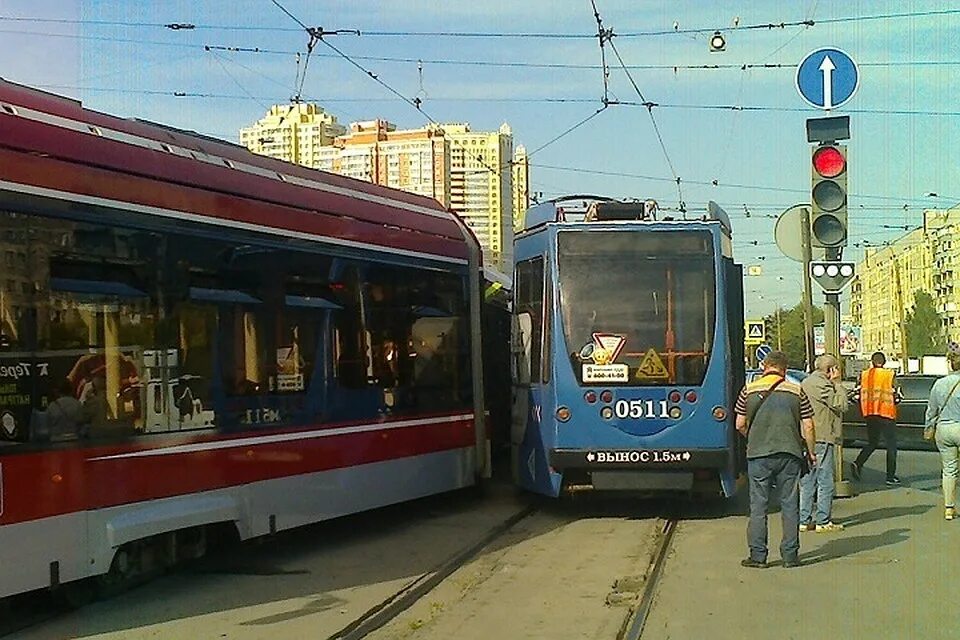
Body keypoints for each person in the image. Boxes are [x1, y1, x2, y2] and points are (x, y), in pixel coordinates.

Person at [735, 350, 817, 569]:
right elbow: (808, 425)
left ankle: (758, 556)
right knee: (790, 504)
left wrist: (754, 437)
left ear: (764, 366)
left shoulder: (749, 390)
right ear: (785, 369)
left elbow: (739, 424)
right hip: (790, 454)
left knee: (758, 505)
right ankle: (790, 556)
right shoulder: (796, 390)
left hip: (758, 455)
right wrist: (810, 452)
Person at [799, 354, 849, 532]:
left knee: (807, 480)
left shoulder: (806, 382)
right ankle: (823, 520)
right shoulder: (823, 384)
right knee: (825, 480)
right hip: (822, 435)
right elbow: (841, 405)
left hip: (807, 436)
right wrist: (838, 384)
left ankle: (804, 519)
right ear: (831, 370)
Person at [852, 351, 900, 485]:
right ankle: (890, 476)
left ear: (872, 362)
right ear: (884, 362)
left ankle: (858, 463)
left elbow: (856, 394)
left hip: (869, 413)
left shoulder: (863, 375)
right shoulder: (890, 375)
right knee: (891, 445)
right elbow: (898, 396)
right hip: (886, 413)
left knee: (872, 442)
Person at [924, 343, 960, 520]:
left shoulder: (939, 384)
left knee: (949, 470)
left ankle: (949, 508)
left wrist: (928, 428)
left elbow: (931, 410)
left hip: (943, 430)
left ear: (949, 364)